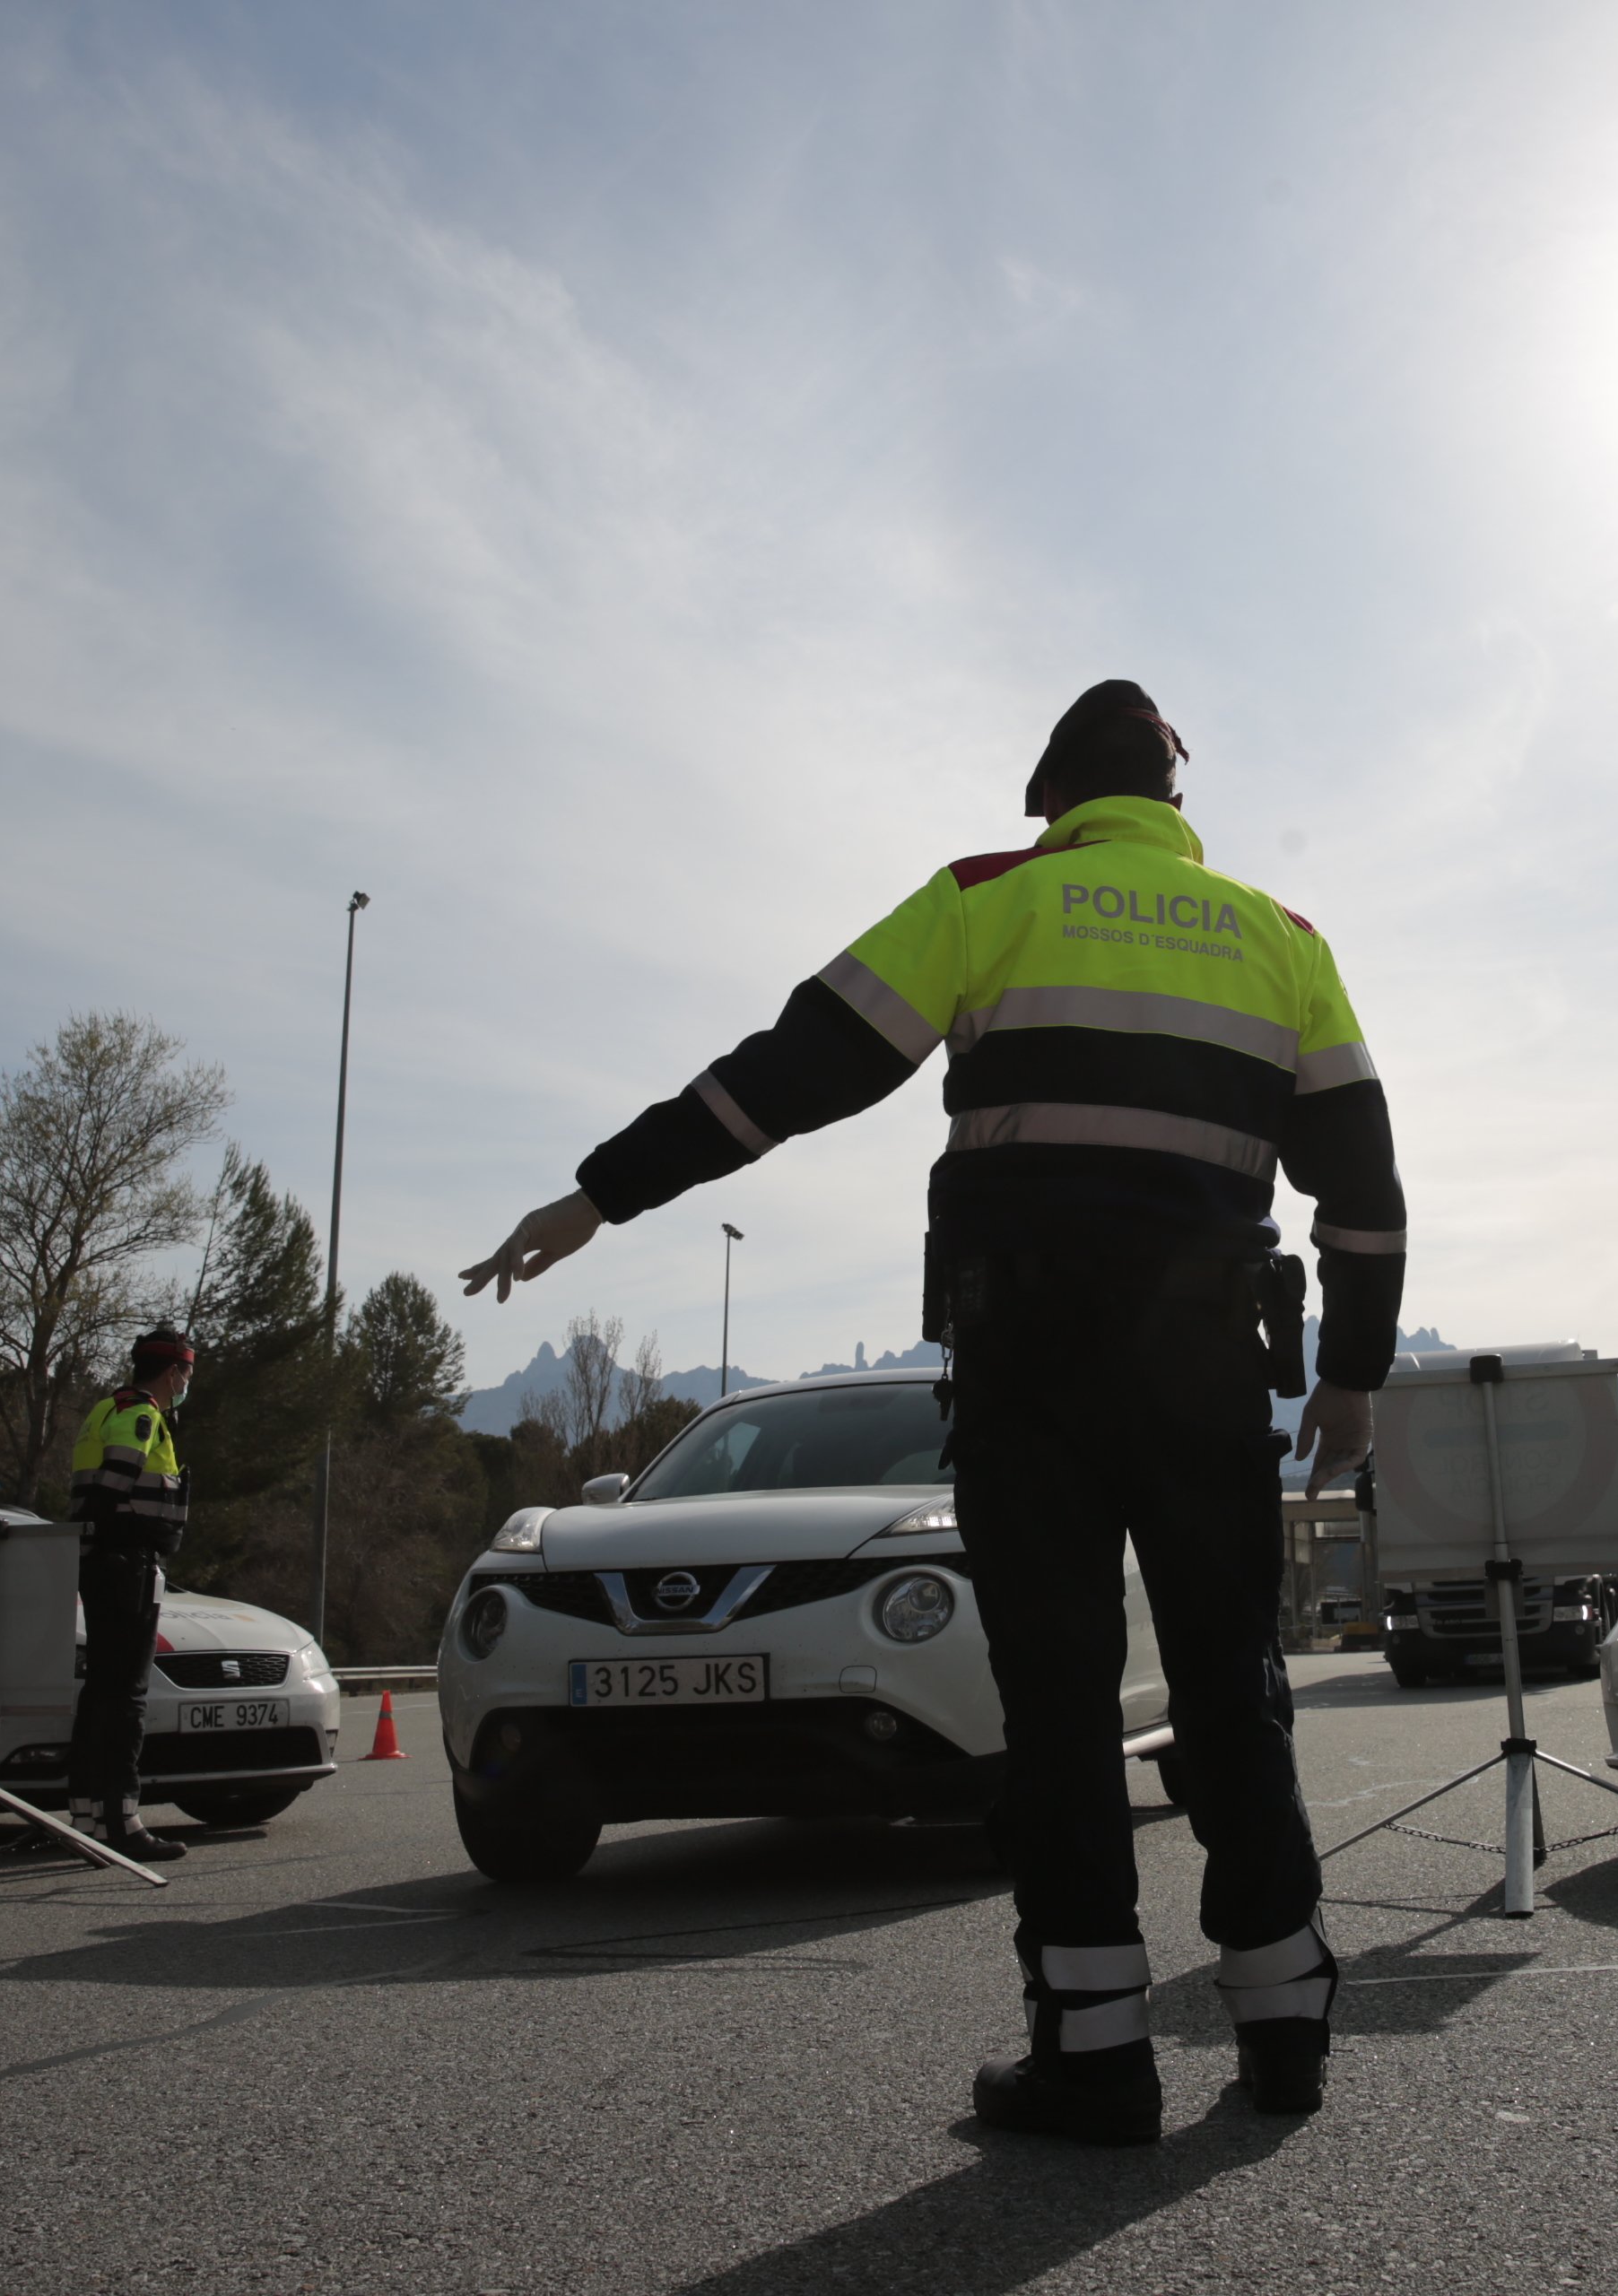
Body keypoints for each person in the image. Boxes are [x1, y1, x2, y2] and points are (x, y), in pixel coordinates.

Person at [462, 680, 1407, 2144]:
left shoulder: (984, 899)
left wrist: (603, 1191)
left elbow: (788, 1076)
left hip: (1032, 1364)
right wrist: (1352, 1375)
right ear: (1174, 803)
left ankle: (1096, 2058)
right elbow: (1363, 1190)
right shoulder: (1284, 943)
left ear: (1053, 800)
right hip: (1210, 1366)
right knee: (1232, 1689)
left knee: (1060, 1707)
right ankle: (1283, 2026)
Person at [65, 1326, 197, 1863]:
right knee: (126, 1696)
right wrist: (119, 1540)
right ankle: (123, 1820)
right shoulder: (141, 1416)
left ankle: (85, 1817)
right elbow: (113, 1485)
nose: (188, 1382)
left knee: (100, 1690)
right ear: (173, 1372)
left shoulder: (103, 1408)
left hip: (102, 1563)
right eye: (188, 1373)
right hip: (127, 1565)